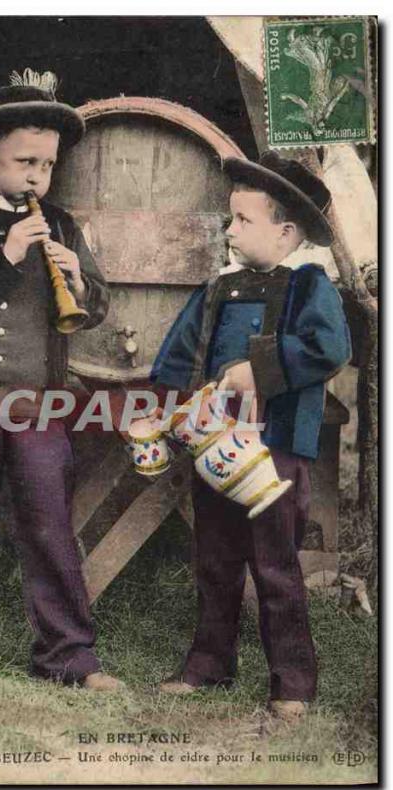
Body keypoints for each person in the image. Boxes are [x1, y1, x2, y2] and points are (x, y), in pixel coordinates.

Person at [0, 69, 123, 699]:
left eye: (48, 165)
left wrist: (79, 282)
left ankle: (68, 655)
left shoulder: (61, 226)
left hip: (41, 406)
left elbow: (97, 304)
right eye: (24, 161)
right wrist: (6, 256)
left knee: (49, 527)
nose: (37, 176)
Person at [150, 151, 351, 722]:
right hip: (216, 449)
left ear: (286, 232)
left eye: (243, 221)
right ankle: (209, 663)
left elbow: (329, 349)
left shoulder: (310, 285)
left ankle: (292, 680)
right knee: (214, 557)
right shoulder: (220, 288)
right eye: (229, 220)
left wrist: (254, 371)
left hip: (275, 449)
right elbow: (178, 356)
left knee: (275, 562)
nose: (230, 231)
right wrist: (171, 410)